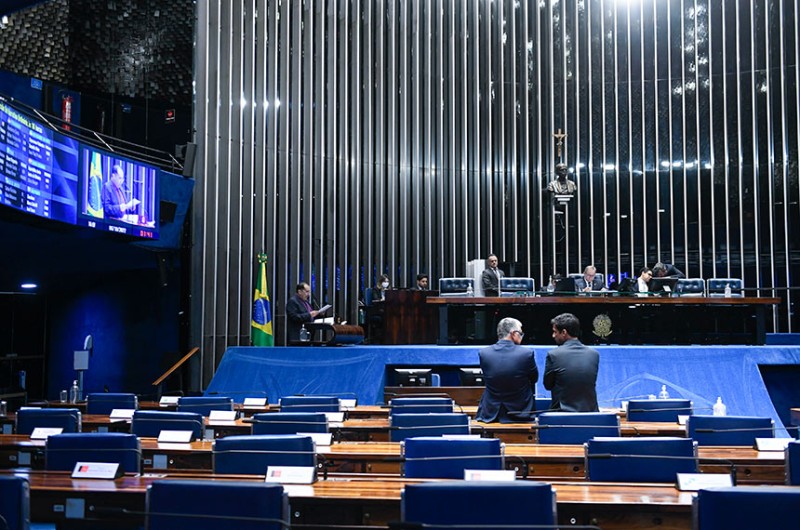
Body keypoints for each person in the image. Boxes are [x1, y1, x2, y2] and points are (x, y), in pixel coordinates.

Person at [476, 317, 538, 423]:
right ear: (513, 333)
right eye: (520, 333)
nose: (522, 336)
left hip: (491, 413)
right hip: (520, 412)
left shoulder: (484, 353)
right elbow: (534, 379)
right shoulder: (526, 353)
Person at [543, 313, 599, 412]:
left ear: (564, 332)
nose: (553, 335)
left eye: (555, 332)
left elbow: (548, 385)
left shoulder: (554, 355)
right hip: (590, 415)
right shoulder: (594, 354)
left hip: (562, 416)